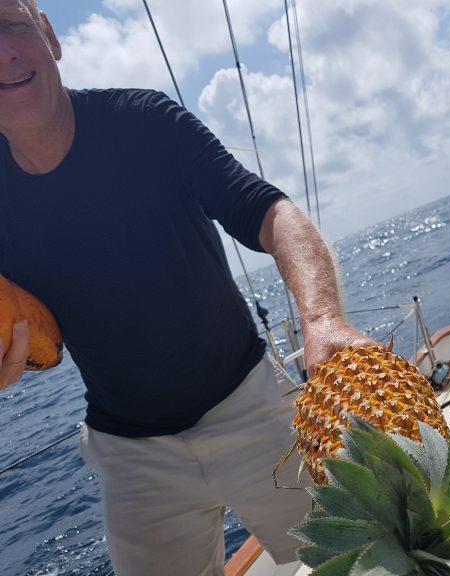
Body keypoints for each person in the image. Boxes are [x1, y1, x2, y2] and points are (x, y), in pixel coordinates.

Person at [0, 1, 379, 574]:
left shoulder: (144, 123)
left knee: (369, 562)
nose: (3, 53)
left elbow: (269, 212)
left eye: (10, 24)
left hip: (252, 409)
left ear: (49, 36)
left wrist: (323, 319)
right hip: (130, 456)